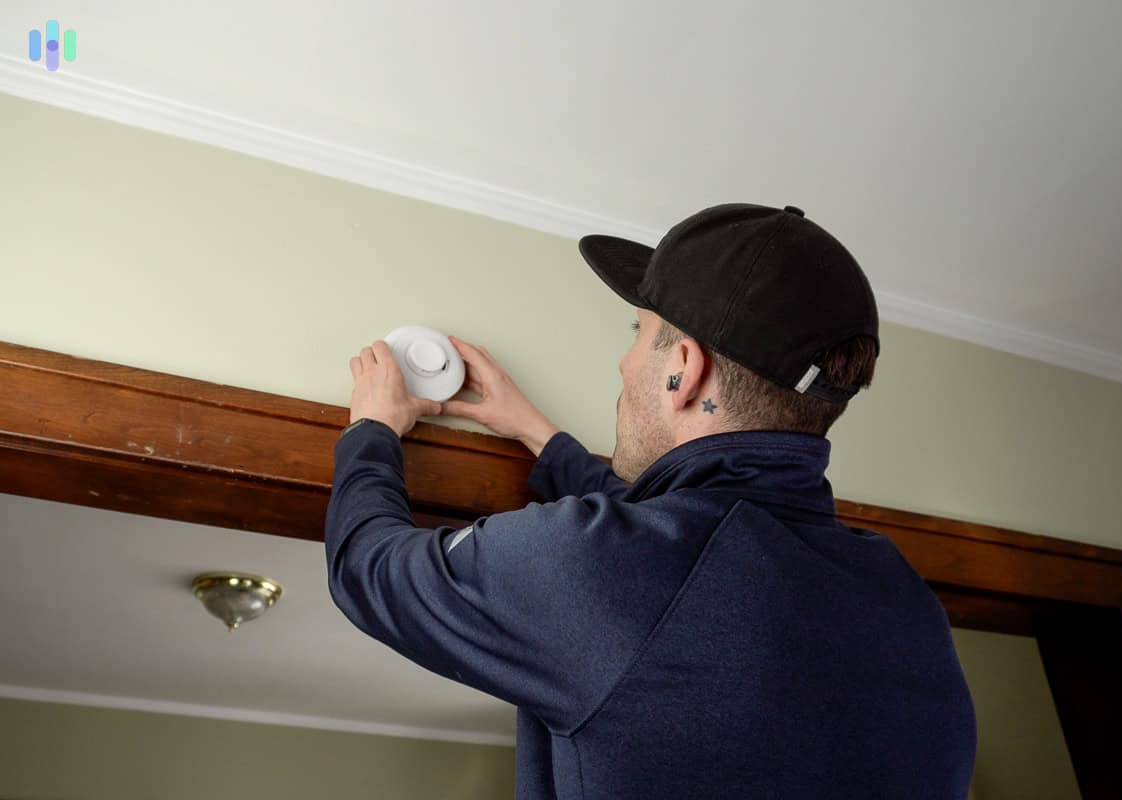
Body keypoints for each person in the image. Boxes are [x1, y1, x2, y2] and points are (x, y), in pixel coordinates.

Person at [325, 202, 977, 799]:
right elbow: (682, 572)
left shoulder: (609, 570)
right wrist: (537, 434)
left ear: (682, 369)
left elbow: (369, 568)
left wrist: (371, 429)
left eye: (639, 331)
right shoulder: (902, 602)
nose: (623, 363)